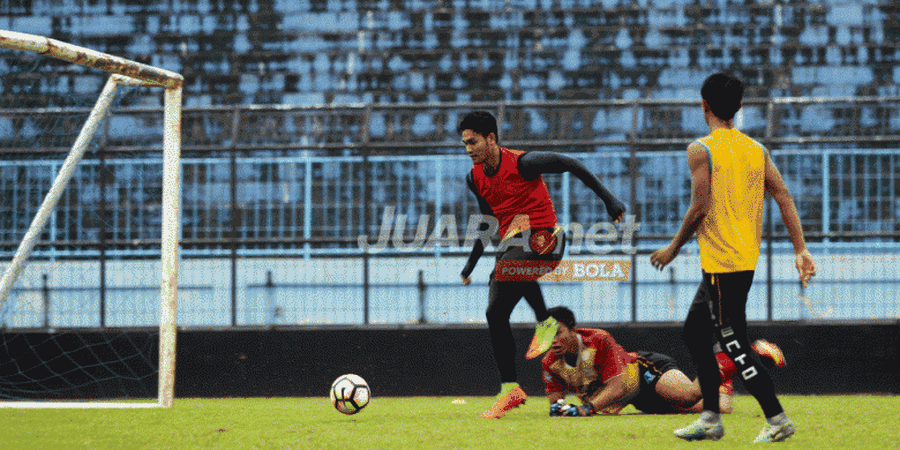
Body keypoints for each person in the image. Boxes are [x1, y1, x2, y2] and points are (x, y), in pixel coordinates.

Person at [650, 72, 817, 443]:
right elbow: (784, 195)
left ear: (704, 106)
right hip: (739, 261)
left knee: (733, 343)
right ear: (739, 107)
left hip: (723, 264)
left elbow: (699, 207)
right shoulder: (756, 149)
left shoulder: (701, 149)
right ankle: (710, 416)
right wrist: (800, 249)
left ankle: (776, 418)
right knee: (695, 334)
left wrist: (672, 248)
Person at [456, 110, 626, 419]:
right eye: (465, 143)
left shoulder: (524, 163)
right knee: (495, 311)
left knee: (509, 262)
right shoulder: (475, 177)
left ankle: (543, 319)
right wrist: (469, 265)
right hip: (517, 247)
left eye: (473, 142)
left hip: (548, 241)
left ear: (491, 138)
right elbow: (487, 223)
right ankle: (511, 388)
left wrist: (609, 200)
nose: (468, 149)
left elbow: (570, 163)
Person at [542, 306, 738, 417]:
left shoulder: (598, 340)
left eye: (558, 333)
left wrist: (587, 408)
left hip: (645, 372)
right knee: (721, 407)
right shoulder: (550, 363)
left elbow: (616, 387)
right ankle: (722, 376)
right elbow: (556, 403)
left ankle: (737, 353)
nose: (553, 341)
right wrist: (560, 409)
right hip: (636, 398)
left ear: (573, 329)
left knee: (689, 395)